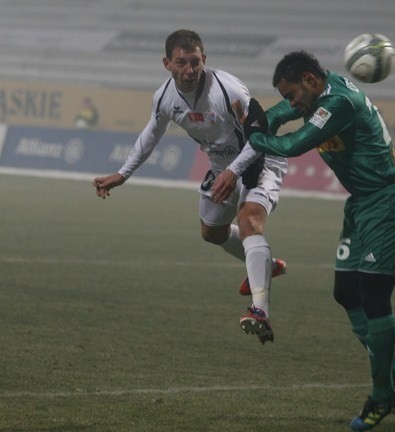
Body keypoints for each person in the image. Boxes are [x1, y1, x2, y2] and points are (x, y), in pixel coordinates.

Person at [243, 51, 395, 431]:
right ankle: (394, 371)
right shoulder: (320, 90)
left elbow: (293, 145)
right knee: (346, 293)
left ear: (309, 79)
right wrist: (260, 122)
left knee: (373, 297)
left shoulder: (338, 103)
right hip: (362, 204)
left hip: (388, 203)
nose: (292, 103)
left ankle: (382, 395)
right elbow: (278, 115)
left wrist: (256, 138)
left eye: (293, 95)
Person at [92, 29, 287, 344]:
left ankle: (259, 311)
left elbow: (260, 135)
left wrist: (234, 172)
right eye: (181, 63)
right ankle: (266, 264)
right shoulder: (165, 97)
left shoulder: (228, 89)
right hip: (223, 168)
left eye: (194, 62)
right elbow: (151, 134)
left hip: (261, 159)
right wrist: (123, 174)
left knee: (249, 220)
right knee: (213, 234)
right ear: (167, 63)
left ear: (204, 60)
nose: (189, 70)